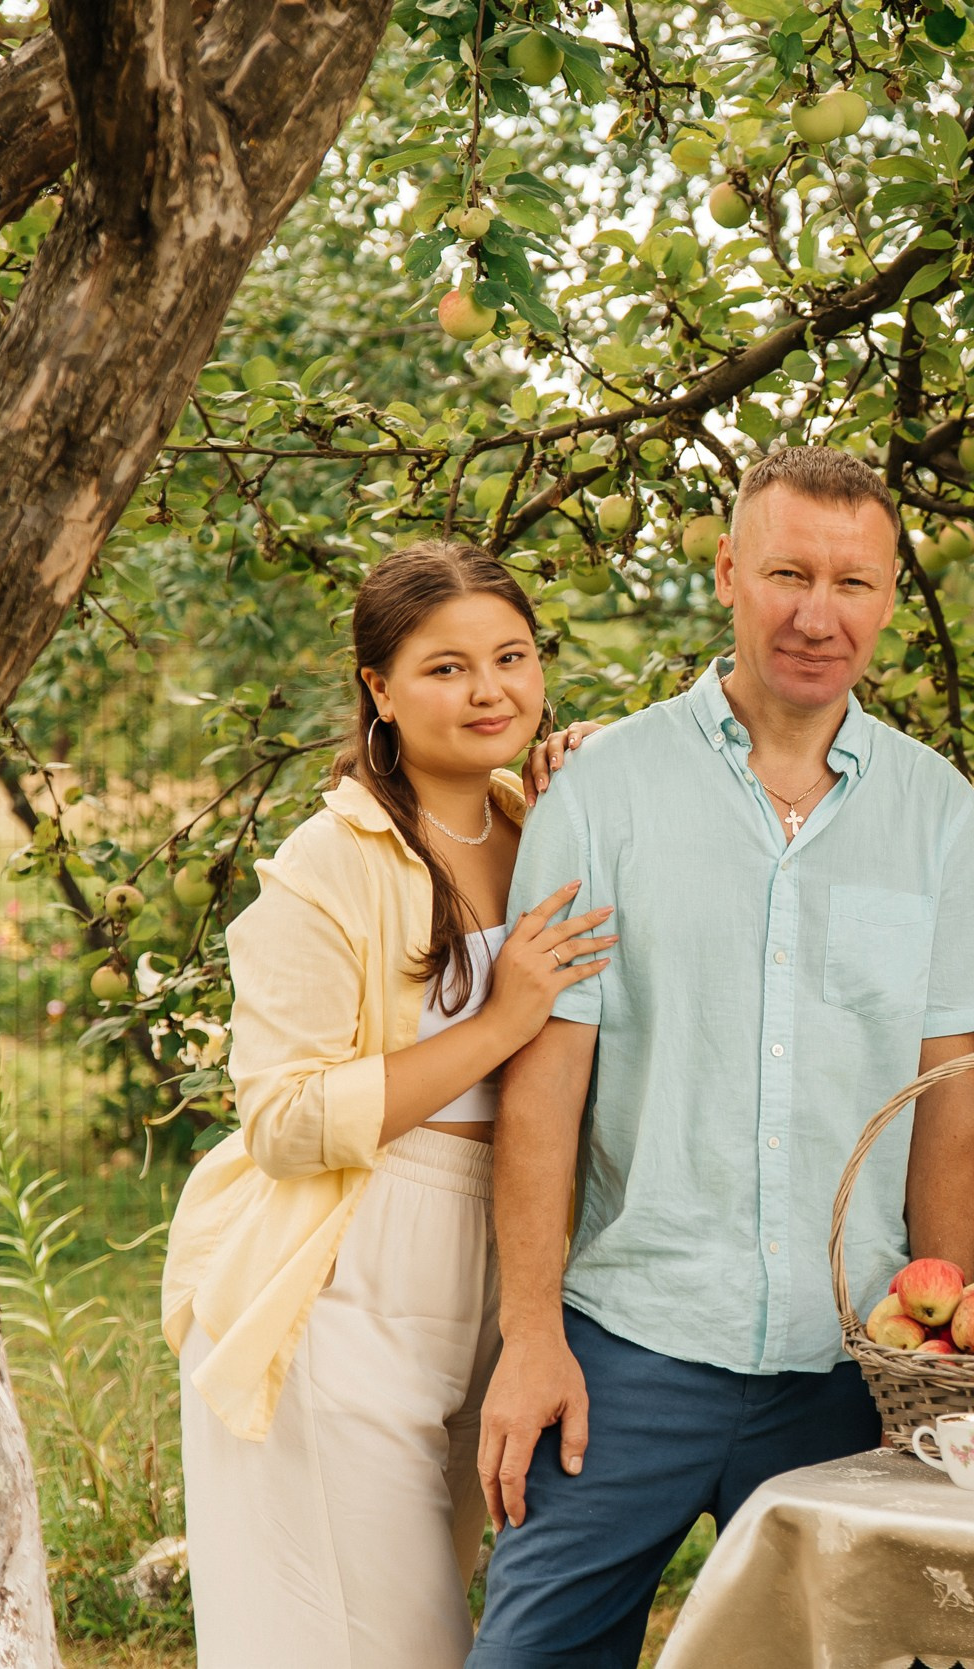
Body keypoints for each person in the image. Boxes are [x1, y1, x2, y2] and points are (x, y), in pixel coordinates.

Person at [469, 446, 974, 1668]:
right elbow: (545, 1080)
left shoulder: (933, 812)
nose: (817, 614)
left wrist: (934, 1363)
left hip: (851, 1366)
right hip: (627, 1349)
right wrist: (529, 1336)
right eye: (785, 573)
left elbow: (950, 1103)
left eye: (853, 583)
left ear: (886, 598)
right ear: (727, 572)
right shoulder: (604, 791)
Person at [161, 540, 616, 1668]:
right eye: (446, 668)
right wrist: (498, 1022)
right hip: (345, 1268)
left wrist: (609, 785)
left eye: (512, 658)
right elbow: (284, 1118)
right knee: (377, 1641)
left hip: (497, 1262)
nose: (490, 690)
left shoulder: (549, 826)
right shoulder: (331, 859)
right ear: (378, 688)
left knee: (443, 1624)